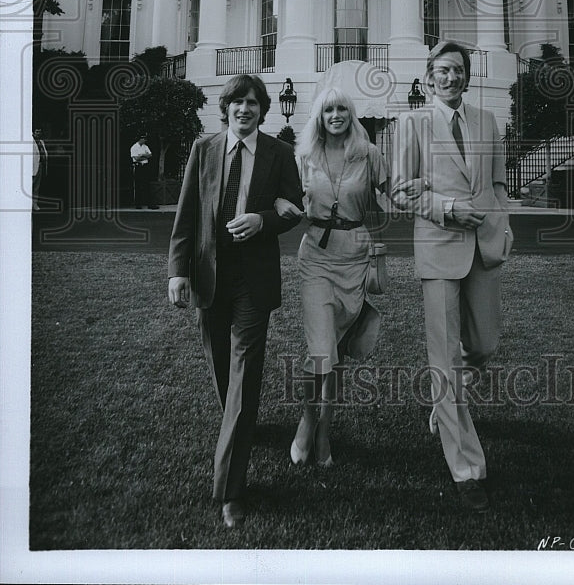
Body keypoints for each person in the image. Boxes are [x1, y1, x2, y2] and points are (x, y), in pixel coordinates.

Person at [167, 74, 303, 528]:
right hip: (209, 273)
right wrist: (177, 271)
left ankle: (231, 490)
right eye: (237, 102)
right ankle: (241, 422)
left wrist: (262, 220)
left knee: (245, 378)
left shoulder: (280, 154)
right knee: (221, 366)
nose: (245, 109)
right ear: (225, 108)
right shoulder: (203, 150)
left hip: (253, 281)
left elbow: (293, 207)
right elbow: (187, 212)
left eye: (252, 103)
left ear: (262, 111)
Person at [391, 40, 513, 513]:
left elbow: (500, 181)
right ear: (428, 78)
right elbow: (401, 192)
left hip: (484, 247)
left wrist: (503, 222)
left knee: (482, 345)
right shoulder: (412, 123)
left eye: (458, 70)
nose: (451, 77)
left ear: (467, 75)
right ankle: (466, 469)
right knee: (443, 358)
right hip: (440, 249)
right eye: (442, 70)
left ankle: (447, 404)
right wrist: (443, 209)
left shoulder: (487, 120)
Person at [282, 87, 388, 468]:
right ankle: (307, 427)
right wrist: (282, 204)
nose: (337, 114)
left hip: (355, 256)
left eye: (343, 108)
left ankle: (325, 427)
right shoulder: (304, 156)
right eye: (329, 109)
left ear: (352, 113)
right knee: (320, 349)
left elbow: (390, 198)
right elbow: (288, 198)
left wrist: (380, 251)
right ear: (319, 116)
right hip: (316, 257)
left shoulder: (369, 153)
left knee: (336, 351)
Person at [130, 134, 158, 209]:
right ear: (140, 139)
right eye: (144, 138)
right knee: (138, 185)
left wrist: (141, 156)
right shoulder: (134, 147)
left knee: (147, 185)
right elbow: (136, 158)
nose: (145, 140)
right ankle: (138, 204)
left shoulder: (145, 146)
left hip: (145, 167)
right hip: (138, 167)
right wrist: (144, 156)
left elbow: (150, 155)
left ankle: (149, 204)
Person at [32, 128, 48, 211]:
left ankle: (34, 204)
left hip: (40, 165)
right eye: (37, 132)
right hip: (32, 167)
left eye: (40, 132)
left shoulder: (41, 142)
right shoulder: (30, 142)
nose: (38, 133)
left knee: (36, 187)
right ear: (33, 132)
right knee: (31, 185)